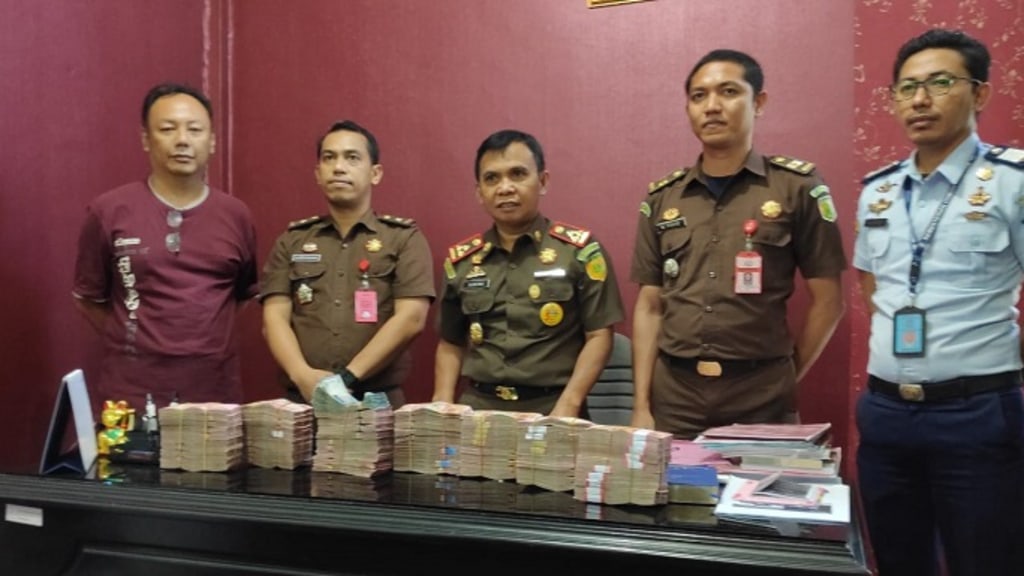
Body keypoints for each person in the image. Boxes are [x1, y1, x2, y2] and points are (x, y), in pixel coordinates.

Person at [854, 29, 1024, 575]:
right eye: (906, 88)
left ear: (980, 93)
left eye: (940, 83)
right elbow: (873, 286)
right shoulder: (877, 191)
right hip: (885, 414)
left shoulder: (1011, 182)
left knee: (987, 561)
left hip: (977, 414)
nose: (920, 100)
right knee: (897, 560)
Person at [630, 49, 847, 439]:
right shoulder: (663, 198)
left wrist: (786, 373)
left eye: (728, 92)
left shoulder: (797, 187)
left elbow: (829, 301)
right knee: (675, 482)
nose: (712, 106)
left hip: (761, 396)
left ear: (758, 102)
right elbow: (649, 306)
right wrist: (641, 406)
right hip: (675, 397)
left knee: (759, 484)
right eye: (699, 96)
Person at [73, 82, 259, 412]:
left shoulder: (237, 215)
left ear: (212, 141)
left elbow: (242, 295)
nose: (182, 140)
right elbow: (88, 298)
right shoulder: (109, 211)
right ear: (146, 139)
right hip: (131, 393)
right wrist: (136, 336)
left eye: (195, 130)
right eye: (168, 129)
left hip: (213, 393)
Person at [432, 129, 624, 417]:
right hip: (479, 409)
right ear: (479, 192)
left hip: (554, 408)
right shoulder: (462, 261)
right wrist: (442, 404)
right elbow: (450, 342)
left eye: (518, 174)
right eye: (491, 178)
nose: (505, 188)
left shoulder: (579, 252)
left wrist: (569, 405)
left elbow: (599, 335)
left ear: (542, 181)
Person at [260, 120, 434, 407]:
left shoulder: (403, 239)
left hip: (376, 400)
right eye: (329, 158)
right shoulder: (293, 241)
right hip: (303, 399)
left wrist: (345, 379)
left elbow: (411, 319)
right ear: (318, 174)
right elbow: (274, 319)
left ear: (375, 173)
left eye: (352, 158)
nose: (339, 167)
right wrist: (302, 376)